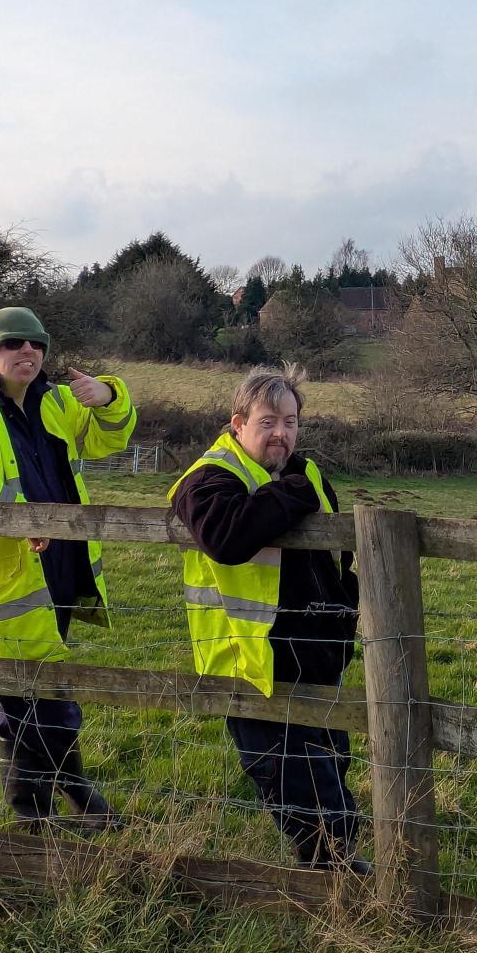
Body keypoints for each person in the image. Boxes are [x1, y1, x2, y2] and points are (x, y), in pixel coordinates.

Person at [0, 306, 138, 830]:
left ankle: (41, 816)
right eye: (13, 344)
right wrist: (14, 516)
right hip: (1, 581)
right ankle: (59, 806)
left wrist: (109, 395)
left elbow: (111, 437)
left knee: (31, 695)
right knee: (34, 697)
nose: (27, 352)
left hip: (53, 570)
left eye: (36, 344)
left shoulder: (55, 402)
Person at [168, 363, 362, 871]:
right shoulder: (207, 479)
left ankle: (338, 858)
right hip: (251, 660)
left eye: (291, 422)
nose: (282, 434)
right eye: (268, 422)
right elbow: (226, 538)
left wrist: (346, 608)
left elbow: (336, 552)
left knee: (330, 759)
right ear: (238, 423)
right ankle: (330, 866)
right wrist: (293, 493)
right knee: (286, 771)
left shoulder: (306, 470)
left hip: (316, 654)